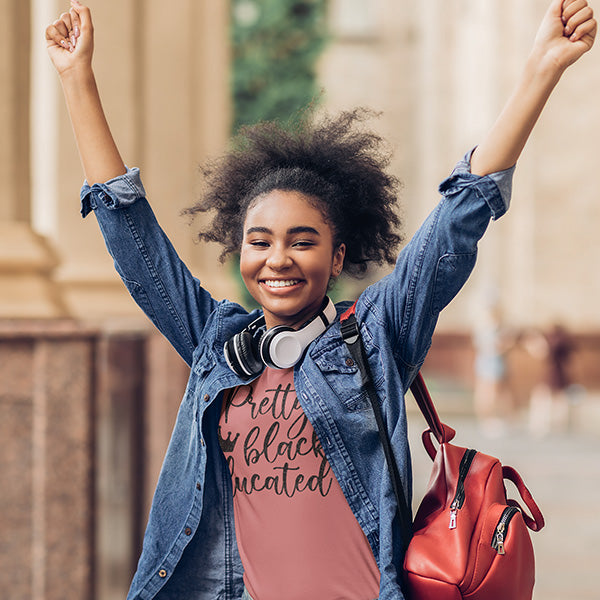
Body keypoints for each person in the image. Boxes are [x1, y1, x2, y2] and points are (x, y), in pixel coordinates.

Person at [46, 1, 596, 599]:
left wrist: (541, 69)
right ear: (241, 254)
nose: (278, 258)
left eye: (302, 241)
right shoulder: (217, 344)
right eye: (260, 241)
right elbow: (133, 240)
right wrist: (78, 79)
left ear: (337, 258)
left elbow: (457, 217)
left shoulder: (378, 337)